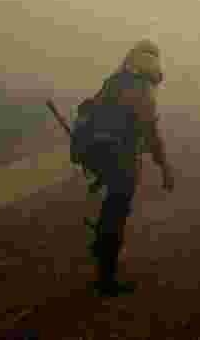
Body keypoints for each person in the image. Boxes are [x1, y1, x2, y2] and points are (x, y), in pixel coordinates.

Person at [78, 39, 175, 297]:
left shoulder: (115, 81)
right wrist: (165, 167)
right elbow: (151, 133)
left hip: (100, 155)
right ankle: (106, 277)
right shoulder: (140, 89)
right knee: (116, 212)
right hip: (120, 158)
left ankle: (102, 251)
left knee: (113, 207)